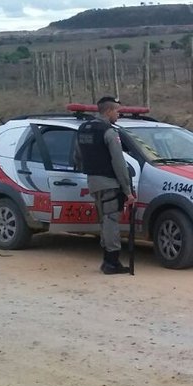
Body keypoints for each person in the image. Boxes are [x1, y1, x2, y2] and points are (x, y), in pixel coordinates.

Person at [75, 96, 135, 275]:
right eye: (117, 111)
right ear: (108, 111)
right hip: (109, 183)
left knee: (104, 221)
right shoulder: (109, 132)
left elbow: (77, 156)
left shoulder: (83, 128)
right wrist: (127, 190)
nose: (119, 114)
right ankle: (111, 262)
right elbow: (118, 162)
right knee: (110, 222)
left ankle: (107, 261)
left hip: (93, 182)